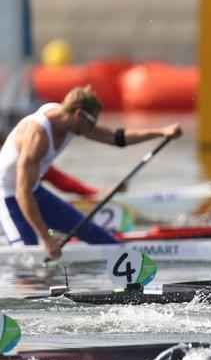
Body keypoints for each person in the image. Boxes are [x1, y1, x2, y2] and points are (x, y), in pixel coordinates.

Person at [0, 85, 181, 260]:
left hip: (33, 191)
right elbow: (22, 192)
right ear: (78, 115)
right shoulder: (37, 136)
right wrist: (46, 239)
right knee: (28, 258)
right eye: (92, 122)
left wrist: (161, 132)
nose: (93, 128)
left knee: (100, 238)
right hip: (8, 195)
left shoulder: (69, 119)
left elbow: (115, 138)